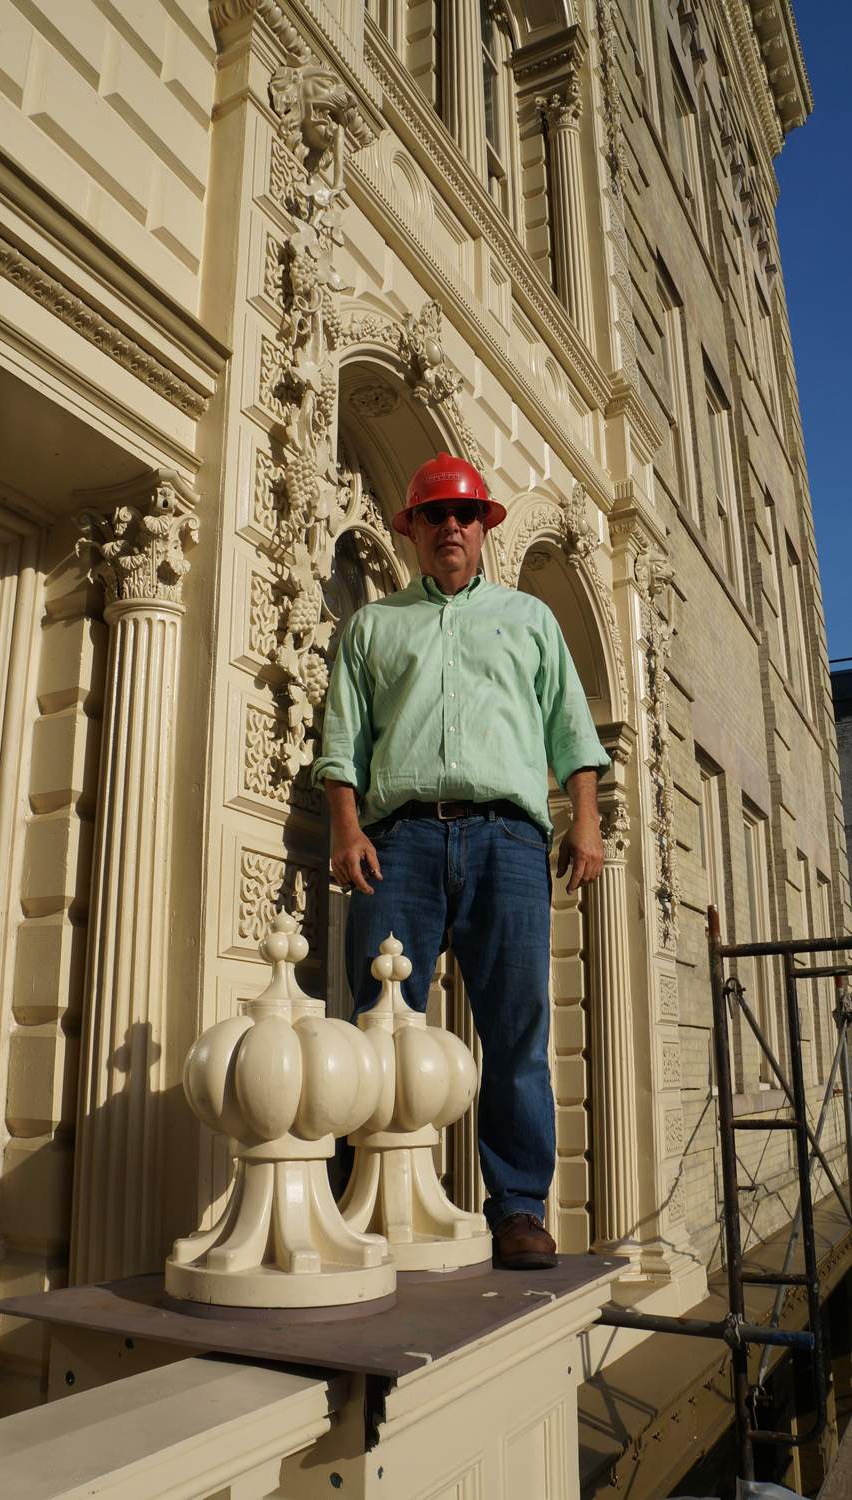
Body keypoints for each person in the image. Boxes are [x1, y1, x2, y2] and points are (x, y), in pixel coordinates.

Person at [311, 453, 609, 1269]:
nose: (451, 527)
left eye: (465, 515)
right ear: (411, 530)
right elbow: (340, 742)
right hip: (397, 842)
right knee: (376, 1025)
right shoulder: (374, 627)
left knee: (514, 1030)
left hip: (507, 843)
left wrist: (582, 821)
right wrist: (345, 829)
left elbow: (570, 734)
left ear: (484, 529)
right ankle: (356, 1199)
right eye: (434, 515)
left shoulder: (528, 620)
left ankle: (516, 1207)